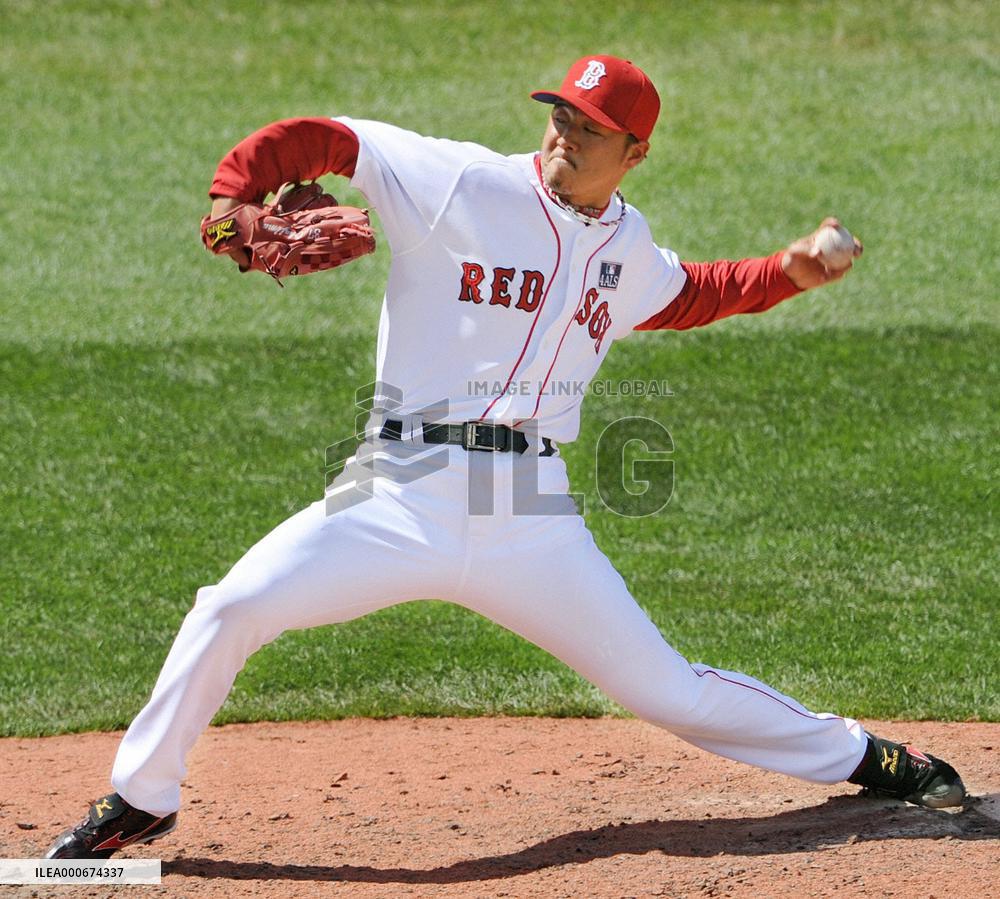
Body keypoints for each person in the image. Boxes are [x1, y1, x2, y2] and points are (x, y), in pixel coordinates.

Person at [45, 55, 964, 860]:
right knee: (232, 605)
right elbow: (324, 138)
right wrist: (231, 197)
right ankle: (143, 797)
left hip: (531, 515)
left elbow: (691, 292)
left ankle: (871, 757)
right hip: (396, 491)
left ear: (635, 152)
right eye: (562, 113)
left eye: (591, 126)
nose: (567, 132)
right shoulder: (460, 182)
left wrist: (790, 273)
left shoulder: (626, 244)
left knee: (669, 691)